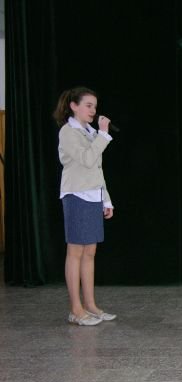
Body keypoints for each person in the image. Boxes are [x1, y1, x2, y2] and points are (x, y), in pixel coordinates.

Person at [53, 86, 117, 326]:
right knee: (75, 252)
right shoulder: (68, 132)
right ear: (74, 106)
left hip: (92, 196)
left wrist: (106, 199)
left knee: (90, 252)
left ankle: (90, 305)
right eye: (88, 105)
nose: (93, 110)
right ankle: (76, 309)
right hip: (76, 195)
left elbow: (97, 170)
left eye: (95, 106)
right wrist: (103, 135)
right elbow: (88, 160)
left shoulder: (90, 133)